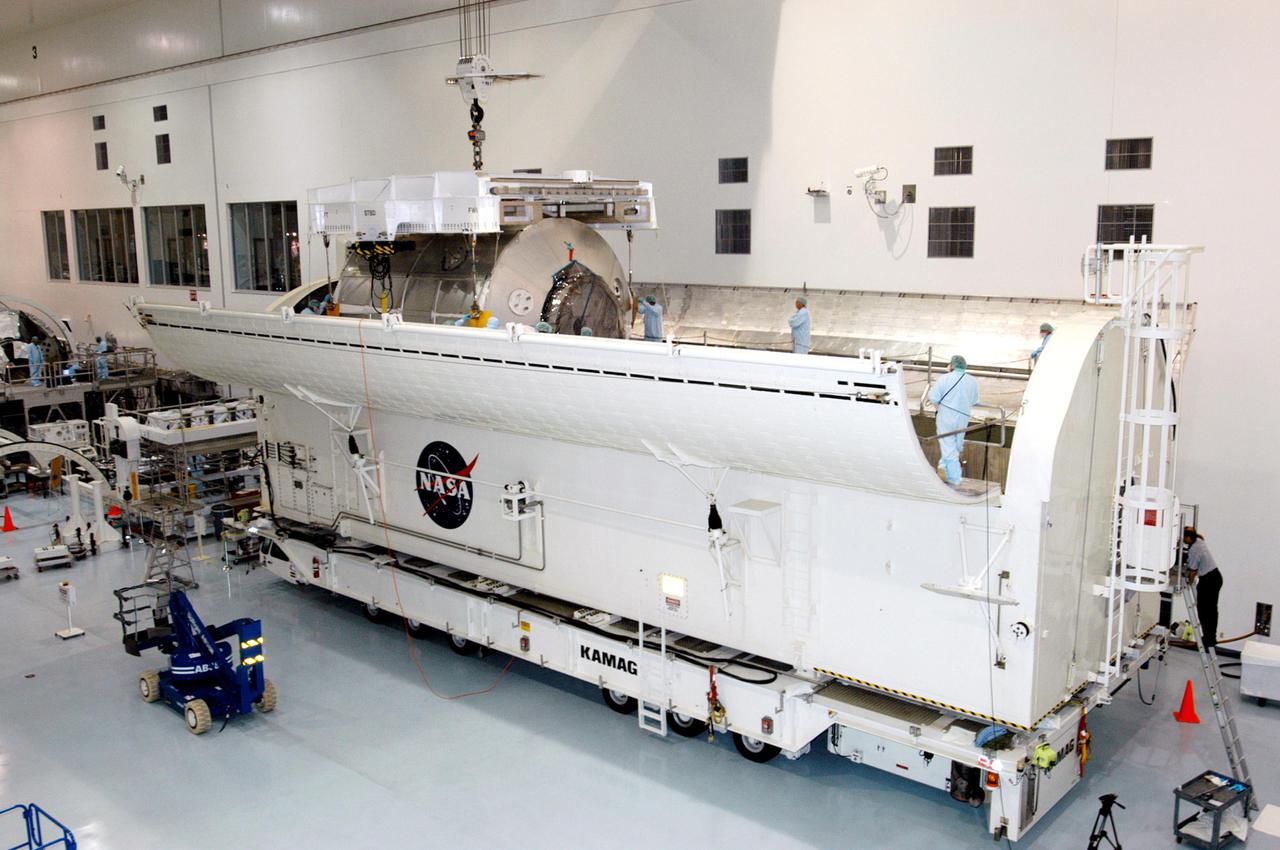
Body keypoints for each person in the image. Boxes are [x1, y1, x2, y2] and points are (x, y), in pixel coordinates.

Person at [929, 354, 980, 485]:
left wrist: (939, 408)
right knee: (956, 445)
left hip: (946, 416)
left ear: (951, 365)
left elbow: (933, 397)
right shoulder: (972, 381)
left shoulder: (944, 378)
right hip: (963, 417)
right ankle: (944, 466)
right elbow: (974, 400)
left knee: (948, 446)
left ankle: (954, 478)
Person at [1183, 526, 1223, 648]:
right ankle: (1210, 637)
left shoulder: (1194, 550)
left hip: (1208, 581)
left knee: (1204, 611)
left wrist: (1189, 582)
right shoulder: (1199, 541)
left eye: (1184, 538)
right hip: (1215, 577)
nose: (1183, 540)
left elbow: (1193, 571)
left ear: (1188, 537)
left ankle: (1208, 639)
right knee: (1211, 610)